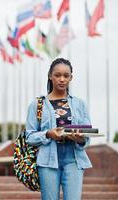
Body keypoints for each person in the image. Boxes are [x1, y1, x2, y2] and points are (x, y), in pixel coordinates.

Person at [25, 58, 92, 200]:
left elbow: (87, 137)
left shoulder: (80, 104)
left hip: (74, 159)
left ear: (71, 78)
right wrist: (48, 134)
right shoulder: (37, 104)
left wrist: (80, 139)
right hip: (47, 160)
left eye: (66, 76)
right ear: (50, 76)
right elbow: (29, 137)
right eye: (57, 75)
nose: (62, 79)